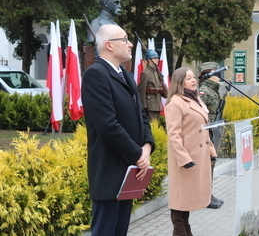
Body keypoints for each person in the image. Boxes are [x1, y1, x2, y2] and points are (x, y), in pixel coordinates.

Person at [81, 24, 154, 236]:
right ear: (109, 45)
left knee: (120, 231)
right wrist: (137, 154)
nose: (130, 44)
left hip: (129, 169)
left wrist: (147, 147)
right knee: (105, 231)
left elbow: (142, 115)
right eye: (125, 39)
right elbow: (107, 125)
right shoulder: (96, 74)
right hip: (110, 171)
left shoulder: (126, 75)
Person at [165, 67, 217, 236]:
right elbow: (174, 135)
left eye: (194, 77)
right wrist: (184, 158)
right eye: (189, 78)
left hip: (198, 156)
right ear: (180, 82)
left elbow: (204, 128)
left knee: (187, 200)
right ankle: (179, 231)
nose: (194, 80)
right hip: (185, 159)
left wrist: (211, 150)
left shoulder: (195, 100)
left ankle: (186, 231)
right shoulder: (175, 102)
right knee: (180, 199)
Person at [198, 63, 224, 209]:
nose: (218, 76)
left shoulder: (213, 90)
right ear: (208, 75)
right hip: (208, 133)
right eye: (215, 73)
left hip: (214, 130)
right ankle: (205, 196)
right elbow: (201, 115)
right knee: (208, 164)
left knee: (211, 164)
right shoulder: (204, 91)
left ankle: (208, 194)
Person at [137, 49, 168, 120]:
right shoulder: (146, 73)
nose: (158, 60)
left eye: (157, 58)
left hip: (157, 103)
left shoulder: (156, 72)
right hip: (150, 105)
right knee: (151, 125)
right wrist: (143, 107)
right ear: (149, 60)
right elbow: (141, 90)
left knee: (155, 125)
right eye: (155, 58)